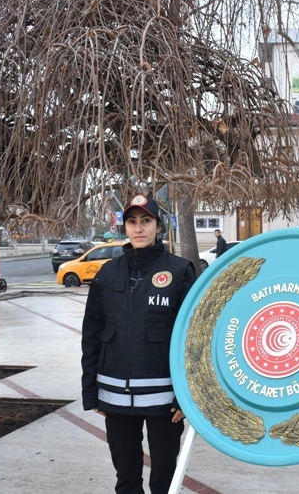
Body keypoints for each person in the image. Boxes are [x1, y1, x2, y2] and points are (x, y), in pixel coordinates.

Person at [81, 194, 196, 494]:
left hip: (164, 401)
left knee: (164, 480)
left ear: (158, 226)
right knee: (126, 479)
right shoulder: (107, 273)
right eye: (132, 222)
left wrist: (186, 397)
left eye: (146, 220)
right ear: (125, 227)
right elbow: (92, 333)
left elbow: (193, 339)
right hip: (115, 397)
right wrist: (91, 392)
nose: (138, 228)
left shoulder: (180, 271)